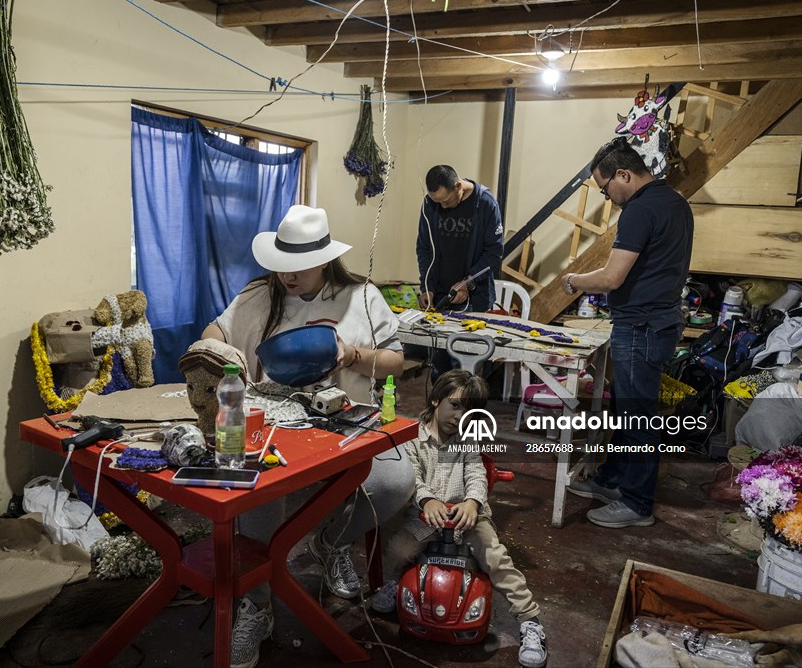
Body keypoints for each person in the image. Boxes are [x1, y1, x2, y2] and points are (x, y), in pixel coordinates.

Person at [200, 204, 414, 668]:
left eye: (297, 267)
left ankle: (329, 540)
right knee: (255, 492)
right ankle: (257, 605)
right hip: (275, 429)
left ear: (323, 259)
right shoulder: (261, 294)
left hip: (346, 427)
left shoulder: (361, 296)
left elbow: (397, 360)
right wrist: (212, 348)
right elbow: (217, 329)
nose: (286, 275)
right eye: (280, 264)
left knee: (396, 481)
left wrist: (353, 354)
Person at [367, 370, 548, 668]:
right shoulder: (411, 437)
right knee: (399, 549)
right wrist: (427, 500)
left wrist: (473, 502)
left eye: (469, 412)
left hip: (467, 519)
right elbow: (412, 475)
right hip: (427, 517)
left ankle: (530, 621)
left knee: (495, 558)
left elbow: (476, 473)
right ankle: (395, 581)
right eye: (454, 406)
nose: (459, 416)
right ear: (436, 400)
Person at [562, 137, 694, 529]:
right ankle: (615, 481)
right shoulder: (675, 203)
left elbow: (611, 277)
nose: (608, 198)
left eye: (606, 189)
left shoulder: (639, 210)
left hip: (640, 326)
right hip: (657, 321)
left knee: (637, 418)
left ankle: (637, 503)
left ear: (624, 174)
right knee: (626, 411)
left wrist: (573, 280)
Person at [416, 165, 504, 377]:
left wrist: (468, 282)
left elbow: (494, 252)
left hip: (475, 300)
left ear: (458, 186)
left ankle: (466, 411)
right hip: (440, 297)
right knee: (440, 367)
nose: (443, 207)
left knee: (465, 369)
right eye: (437, 202)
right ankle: (440, 409)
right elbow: (424, 248)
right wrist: (426, 286)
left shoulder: (485, 203)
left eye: (445, 201)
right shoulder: (430, 204)